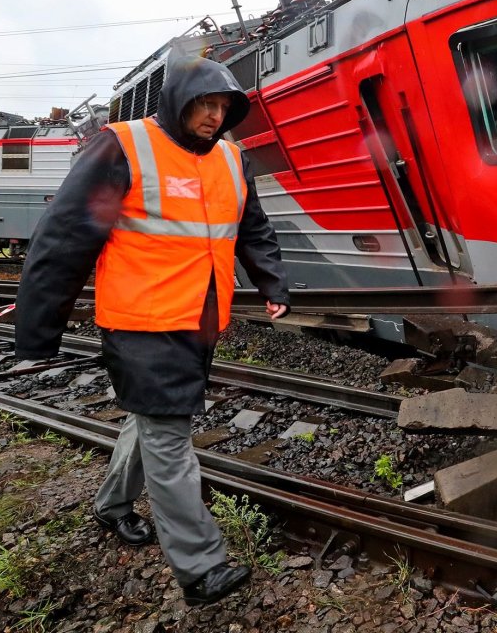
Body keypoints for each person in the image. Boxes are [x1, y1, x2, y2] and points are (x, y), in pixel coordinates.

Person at [15, 55, 291, 607]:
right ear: (177, 101)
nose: (214, 116)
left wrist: (272, 283)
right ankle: (201, 567)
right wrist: (37, 333)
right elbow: (63, 238)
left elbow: (250, 227)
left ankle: (112, 505)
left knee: (154, 420)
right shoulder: (123, 146)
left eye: (223, 107)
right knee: (169, 438)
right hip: (142, 323)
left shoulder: (233, 160)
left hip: (201, 318)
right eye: (204, 104)